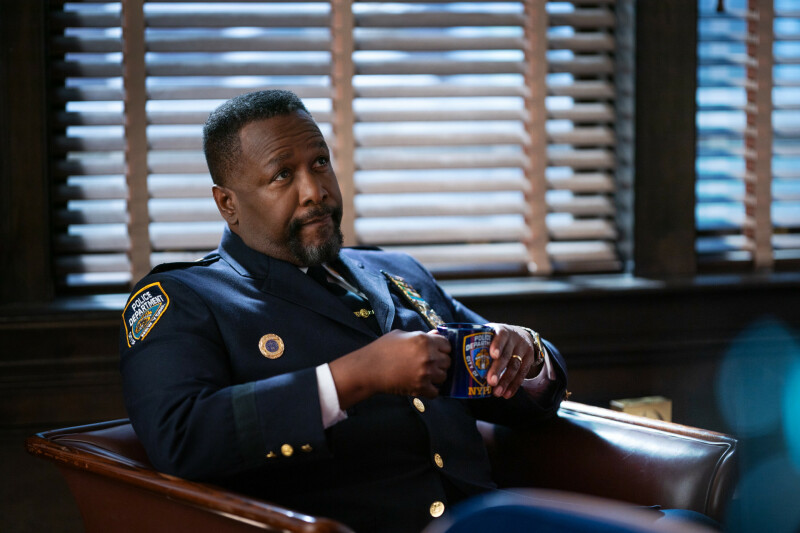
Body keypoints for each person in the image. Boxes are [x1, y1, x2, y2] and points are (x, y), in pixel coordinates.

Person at [119, 89, 568, 532]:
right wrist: (353, 378)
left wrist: (527, 358)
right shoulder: (186, 298)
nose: (315, 191)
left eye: (319, 162)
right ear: (227, 203)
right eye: (282, 175)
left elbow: (510, 384)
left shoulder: (399, 270)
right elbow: (181, 437)